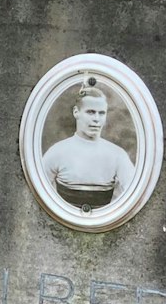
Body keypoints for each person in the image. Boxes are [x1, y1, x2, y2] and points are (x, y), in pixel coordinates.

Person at [39, 78, 133, 212]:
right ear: (76, 112)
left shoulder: (117, 155)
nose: (96, 119)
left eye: (101, 113)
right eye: (90, 112)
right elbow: (39, 193)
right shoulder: (57, 152)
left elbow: (133, 194)